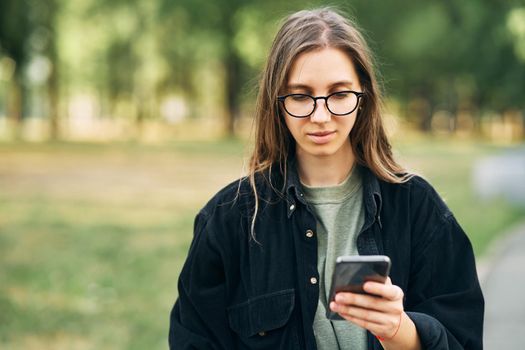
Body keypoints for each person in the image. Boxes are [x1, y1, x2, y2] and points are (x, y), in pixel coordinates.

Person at [169, 7, 484, 350]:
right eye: (301, 96)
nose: (321, 116)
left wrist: (399, 331)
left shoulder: (418, 208)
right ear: (277, 102)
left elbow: (463, 339)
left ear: (362, 97)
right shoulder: (229, 220)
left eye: (339, 94)